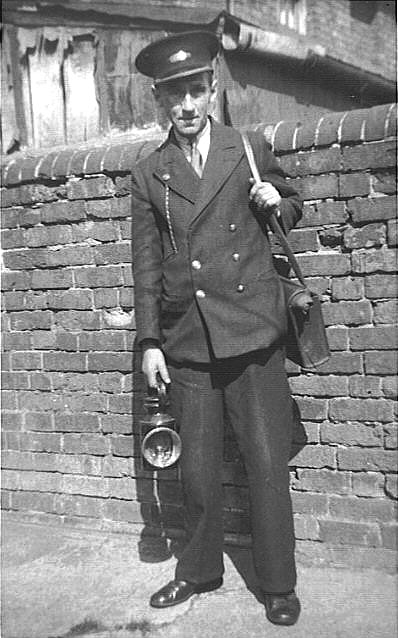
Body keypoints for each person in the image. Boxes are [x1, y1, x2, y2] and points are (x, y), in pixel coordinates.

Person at [132, 31, 302, 626]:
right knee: (197, 469)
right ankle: (198, 570)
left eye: (195, 91)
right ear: (160, 101)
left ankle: (278, 584)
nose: (185, 106)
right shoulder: (149, 172)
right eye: (173, 95)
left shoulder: (246, 146)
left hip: (253, 334)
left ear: (212, 90)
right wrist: (150, 342)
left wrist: (273, 197)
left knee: (264, 462)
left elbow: (293, 205)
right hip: (190, 343)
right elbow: (147, 263)